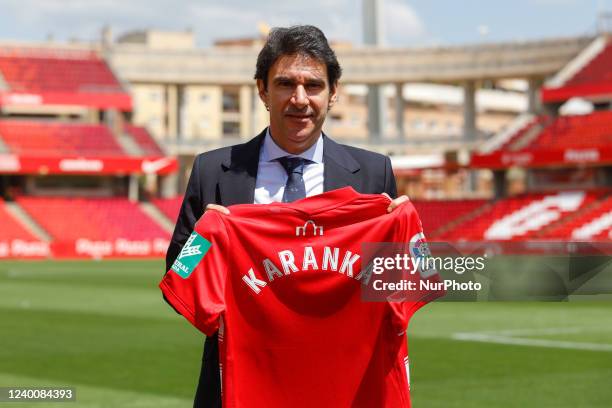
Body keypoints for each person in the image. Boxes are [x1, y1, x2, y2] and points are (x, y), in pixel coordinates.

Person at [165, 24, 408, 408]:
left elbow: (401, 285)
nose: (299, 99)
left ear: (333, 93)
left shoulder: (373, 175)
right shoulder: (214, 171)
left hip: (342, 387)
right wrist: (203, 240)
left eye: (313, 86)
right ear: (262, 90)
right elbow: (177, 273)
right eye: (284, 84)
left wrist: (405, 244)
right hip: (241, 386)